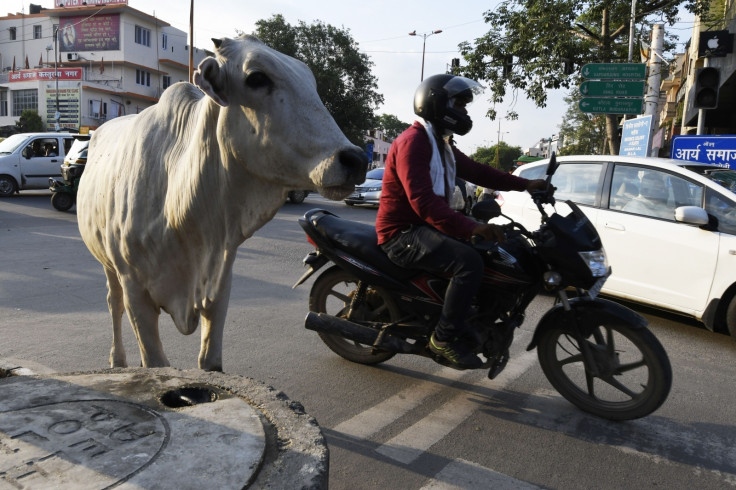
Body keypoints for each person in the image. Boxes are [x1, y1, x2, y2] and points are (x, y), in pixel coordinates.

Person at [375, 74, 549, 369]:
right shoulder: (413, 142)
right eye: (460, 104)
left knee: (497, 254)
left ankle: (470, 316)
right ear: (438, 104)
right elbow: (423, 202)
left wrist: (527, 185)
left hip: (425, 227)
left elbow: (480, 173)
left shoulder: (440, 145)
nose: (465, 112)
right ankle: (443, 339)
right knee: (468, 263)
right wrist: (471, 227)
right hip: (402, 233)